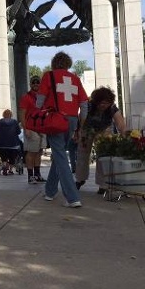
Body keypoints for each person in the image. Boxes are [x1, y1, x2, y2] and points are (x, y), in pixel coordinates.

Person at [36, 52, 88, 208]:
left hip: (55, 119)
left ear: (54, 63)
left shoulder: (48, 76)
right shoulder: (75, 79)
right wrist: (81, 124)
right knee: (59, 155)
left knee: (60, 156)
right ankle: (50, 191)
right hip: (72, 120)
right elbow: (84, 103)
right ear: (68, 63)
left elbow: (40, 100)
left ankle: (72, 197)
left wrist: (37, 118)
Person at [75, 87, 127, 191]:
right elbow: (80, 119)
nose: (103, 105)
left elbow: (121, 124)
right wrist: (77, 132)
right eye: (101, 103)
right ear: (96, 101)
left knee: (103, 156)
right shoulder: (88, 105)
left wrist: (125, 137)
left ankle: (103, 184)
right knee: (82, 154)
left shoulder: (112, 108)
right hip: (87, 129)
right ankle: (80, 179)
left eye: (106, 103)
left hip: (104, 130)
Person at [18, 76, 47, 184]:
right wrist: (25, 129)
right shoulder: (26, 97)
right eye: (33, 83)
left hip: (42, 128)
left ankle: (37, 174)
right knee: (31, 152)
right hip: (31, 128)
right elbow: (22, 113)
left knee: (39, 152)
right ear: (30, 84)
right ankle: (31, 176)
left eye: (38, 82)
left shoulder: (43, 97)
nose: (36, 84)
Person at [0, 109, 21, 175]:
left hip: (2, 144)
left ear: (3, 115)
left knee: (3, 157)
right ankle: (10, 170)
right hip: (13, 144)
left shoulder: (0, 121)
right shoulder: (14, 122)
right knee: (12, 157)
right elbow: (18, 132)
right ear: (11, 115)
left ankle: (5, 166)